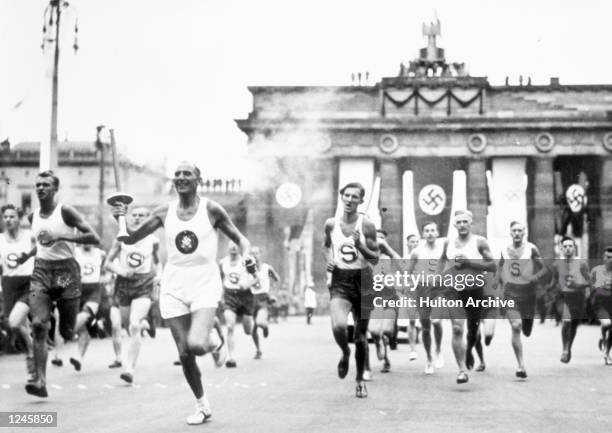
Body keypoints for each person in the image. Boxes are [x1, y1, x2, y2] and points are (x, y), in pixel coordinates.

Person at [110, 161, 252, 424]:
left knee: (196, 344)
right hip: (173, 283)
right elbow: (130, 238)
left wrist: (247, 257)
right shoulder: (164, 211)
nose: (181, 177)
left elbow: (240, 238)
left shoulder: (211, 209)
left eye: (187, 174)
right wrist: (118, 216)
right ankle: (202, 404)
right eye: (177, 174)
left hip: (204, 281)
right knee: (184, 353)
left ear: (199, 179)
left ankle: (214, 342)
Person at [19, 171, 101, 398]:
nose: (41, 188)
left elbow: (94, 238)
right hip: (42, 271)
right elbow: (42, 245)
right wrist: (27, 256)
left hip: (66, 274)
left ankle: (83, 324)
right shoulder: (32, 216)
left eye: (46, 184)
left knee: (66, 330)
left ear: (55, 189)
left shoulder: (65, 211)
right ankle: (40, 381)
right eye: (38, 185)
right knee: (38, 325)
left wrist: (63, 237)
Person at [323, 182, 379, 398]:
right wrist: (329, 261)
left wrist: (361, 247)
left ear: (360, 201)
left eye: (354, 197)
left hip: (363, 279)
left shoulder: (367, 226)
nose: (349, 200)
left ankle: (359, 381)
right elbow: (327, 245)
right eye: (346, 195)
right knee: (338, 326)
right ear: (341, 197)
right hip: (341, 280)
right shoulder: (331, 223)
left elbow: (376, 259)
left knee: (360, 336)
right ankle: (345, 352)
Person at [438, 210, 496, 384]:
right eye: (459, 222)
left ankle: (469, 349)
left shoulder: (479, 242)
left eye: (465, 221)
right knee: (457, 328)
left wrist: (469, 263)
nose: (462, 224)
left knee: (472, 331)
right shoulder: (448, 243)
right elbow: (442, 262)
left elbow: (492, 265)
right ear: (454, 225)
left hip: (474, 290)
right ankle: (462, 370)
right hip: (454, 291)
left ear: (471, 223)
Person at [104, 207, 160, 383]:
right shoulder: (121, 239)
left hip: (143, 283)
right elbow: (107, 263)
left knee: (133, 326)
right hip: (123, 284)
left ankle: (129, 369)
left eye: (141, 216)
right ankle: (146, 322)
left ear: (147, 219)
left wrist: (158, 280)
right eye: (134, 215)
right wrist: (121, 270)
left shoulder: (153, 240)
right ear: (128, 218)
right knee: (128, 325)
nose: (137, 218)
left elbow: (157, 263)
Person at [494, 221, 547, 378]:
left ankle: (527, 325)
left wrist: (535, 277)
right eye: (514, 231)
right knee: (516, 326)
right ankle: (521, 365)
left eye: (520, 231)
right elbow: (498, 269)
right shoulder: (504, 249)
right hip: (510, 292)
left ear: (524, 233)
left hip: (528, 293)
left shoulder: (531, 248)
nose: (517, 233)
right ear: (510, 233)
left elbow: (544, 268)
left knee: (526, 330)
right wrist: (496, 285)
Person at [0, 205, 35, 380]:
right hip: (8, 284)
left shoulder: (29, 237)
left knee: (14, 323)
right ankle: (33, 354)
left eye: (12, 216)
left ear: (19, 219)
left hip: (27, 283)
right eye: (5, 217)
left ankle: (30, 354)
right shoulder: (0, 240)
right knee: (19, 325)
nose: (8, 220)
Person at [406, 221, 445, 374]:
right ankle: (428, 358)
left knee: (436, 321)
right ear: (423, 234)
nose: (429, 233)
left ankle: (438, 350)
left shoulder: (442, 250)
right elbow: (408, 272)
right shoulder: (416, 252)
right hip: (422, 289)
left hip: (438, 289)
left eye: (432, 230)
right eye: (426, 230)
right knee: (426, 326)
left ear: (437, 233)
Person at [550, 236, 590, 363]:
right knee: (566, 321)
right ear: (561, 248)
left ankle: (568, 347)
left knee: (573, 325)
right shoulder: (556, 264)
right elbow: (553, 281)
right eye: (565, 246)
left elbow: (589, 281)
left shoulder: (582, 263)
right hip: (562, 297)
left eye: (570, 246)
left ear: (574, 248)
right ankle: (565, 350)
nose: (568, 249)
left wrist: (578, 285)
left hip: (577, 297)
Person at [69, 244, 106, 371]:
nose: (87, 241)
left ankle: (74, 330)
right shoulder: (75, 252)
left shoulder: (100, 254)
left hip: (93, 290)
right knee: (83, 329)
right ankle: (79, 358)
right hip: (77, 290)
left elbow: (104, 270)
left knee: (86, 314)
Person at [368, 229, 401, 373]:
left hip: (390, 296)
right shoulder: (367, 257)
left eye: (382, 238)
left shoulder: (390, 257)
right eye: (377, 239)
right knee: (375, 331)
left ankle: (386, 358)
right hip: (374, 297)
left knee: (387, 330)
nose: (379, 241)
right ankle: (378, 344)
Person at [242, 246, 280, 359]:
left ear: (260, 254)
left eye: (256, 253)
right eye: (252, 254)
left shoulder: (267, 268)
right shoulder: (247, 270)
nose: (254, 256)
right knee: (252, 329)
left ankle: (265, 326)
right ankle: (258, 350)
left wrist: (273, 294)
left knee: (259, 323)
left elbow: (277, 280)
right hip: (252, 299)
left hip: (264, 298)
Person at [220, 241, 252, 368]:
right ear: (227, 248)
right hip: (229, 296)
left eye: (236, 246)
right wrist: (220, 294)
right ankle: (231, 357)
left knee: (248, 330)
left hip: (245, 296)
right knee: (230, 326)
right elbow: (219, 279)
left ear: (240, 248)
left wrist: (247, 284)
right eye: (231, 246)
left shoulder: (246, 261)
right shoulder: (222, 262)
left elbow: (255, 277)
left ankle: (251, 325)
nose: (233, 248)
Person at [589, 247, 612, 365]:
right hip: (600, 303)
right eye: (608, 257)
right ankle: (603, 337)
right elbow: (590, 285)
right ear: (603, 258)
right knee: (607, 324)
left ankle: (607, 354)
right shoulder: (596, 270)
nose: (610, 260)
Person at [403, 233, 420, 360]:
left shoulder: (422, 256)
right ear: (407, 244)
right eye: (412, 242)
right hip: (410, 291)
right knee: (412, 320)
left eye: (416, 242)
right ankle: (413, 350)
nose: (415, 244)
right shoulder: (403, 258)